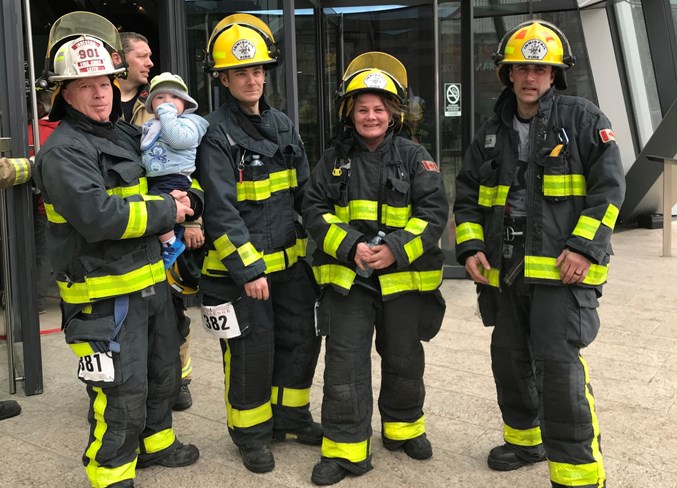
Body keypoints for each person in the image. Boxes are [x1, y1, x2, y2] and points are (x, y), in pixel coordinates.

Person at [454, 21, 625, 488]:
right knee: (508, 358)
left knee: (557, 368)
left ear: (555, 75)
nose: (531, 77)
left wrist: (584, 249)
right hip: (507, 271)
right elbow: (468, 194)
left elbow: (610, 190)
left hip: (562, 269)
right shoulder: (491, 132)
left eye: (541, 68)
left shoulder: (583, 119)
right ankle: (525, 441)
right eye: (522, 68)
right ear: (507, 74)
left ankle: (578, 476)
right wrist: (470, 248)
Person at [32, 19, 201, 487]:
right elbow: (100, 217)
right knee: (119, 390)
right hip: (104, 298)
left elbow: (171, 175)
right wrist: (170, 209)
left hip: (149, 282)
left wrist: (192, 200)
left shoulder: (123, 135)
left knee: (162, 373)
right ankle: (111, 472)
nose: (99, 93)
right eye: (85, 86)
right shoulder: (63, 152)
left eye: (104, 82)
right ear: (65, 94)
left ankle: (158, 445)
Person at [302, 51, 449, 486]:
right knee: (345, 364)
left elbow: (433, 213)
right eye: (363, 108)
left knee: (404, 357)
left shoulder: (415, 156)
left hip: (401, 280)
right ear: (351, 112)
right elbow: (314, 208)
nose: (371, 116)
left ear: (394, 114)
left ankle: (404, 428)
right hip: (349, 282)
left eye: (379, 109)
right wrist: (350, 247)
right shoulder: (332, 160)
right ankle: (345, 450)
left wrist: (395, 250)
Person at [196, 13, 322, 474]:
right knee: (250, 352)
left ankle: (289, 418)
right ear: (223, 79)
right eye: (241, 73)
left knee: (300, 340)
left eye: (257, 71)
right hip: (240, 275)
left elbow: (306, 194)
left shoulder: (284, 125)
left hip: (289, 269)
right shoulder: (214, 134)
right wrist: (248, 270)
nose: (251, 80)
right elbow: (220, 210)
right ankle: (250, 434)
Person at [113, 34, 199, 411]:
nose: (149, 62)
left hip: (167, 218)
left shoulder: (165, 106)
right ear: (121, 59)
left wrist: (194, 217)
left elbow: (187, 169)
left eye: (151, 56)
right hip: (124, 228)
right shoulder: (101, 105)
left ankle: (179, 379)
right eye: (142, 56)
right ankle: (119, 384)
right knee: (122, 316)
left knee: (173, 304)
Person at [141, 72, 209, 268]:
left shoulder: (189, 123)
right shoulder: (153, 124)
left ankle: (169, 244)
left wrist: (167, 113)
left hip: (175, 177)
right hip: (157, 177)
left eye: (173, 97)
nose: (166, 102)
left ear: (186, 104)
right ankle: (170, 238)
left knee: (158, 208)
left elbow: (177, 140)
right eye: (160, 98)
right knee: (156, 206)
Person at [28, 89, 59, 314]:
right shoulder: (64, 131)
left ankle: (35, 302)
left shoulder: (28, 132)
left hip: (34, 204)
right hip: (60, 204)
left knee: (39, 253)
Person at [112, 32, 154, 126]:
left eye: (149, 56)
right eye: (142, 56)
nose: (150, 63)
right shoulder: (97, 98)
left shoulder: (157, 100)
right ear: (117, 59)